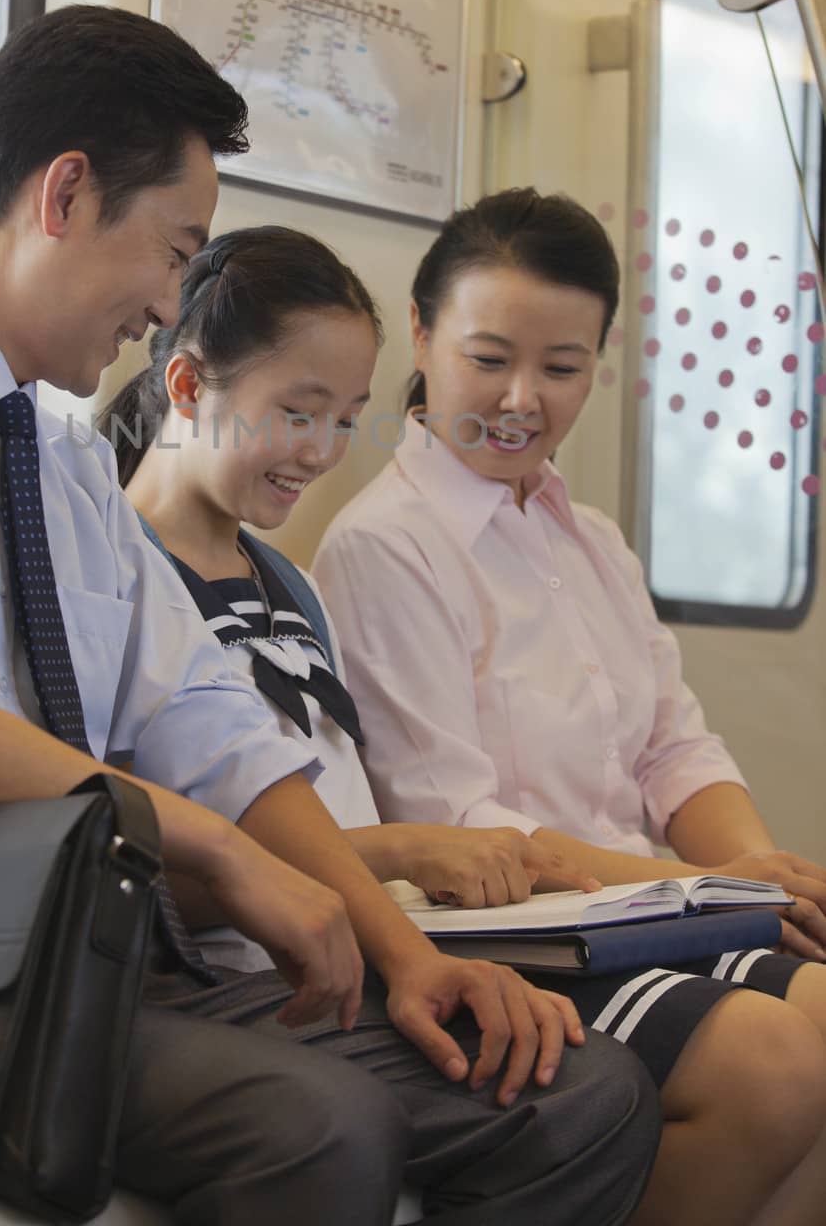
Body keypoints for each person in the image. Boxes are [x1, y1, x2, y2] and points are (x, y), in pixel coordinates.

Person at [0, 16, 658, 1226]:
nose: (171, 300)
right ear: (66, 194)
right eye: (174, 250)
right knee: (318, 1129)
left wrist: (406, 953)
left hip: (86, 964)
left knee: (574, 1093)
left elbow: (213, 724)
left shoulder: (68, 473)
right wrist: (219, 854)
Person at [105, 221, 822, 1226]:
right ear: (188, 390)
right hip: (312, 950)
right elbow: (227, 842)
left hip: (377, 933)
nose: (321, 451)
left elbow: (672, 742)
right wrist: (698, 886)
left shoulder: (290, 585)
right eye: (298, 411)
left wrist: (733, 875)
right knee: (663, 1079)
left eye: (343, 416)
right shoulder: (131, 572)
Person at [312, 187, 826, 1226]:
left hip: (645, 905)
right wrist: (712, 887)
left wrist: (759, 875)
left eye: (559, 368)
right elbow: (463, 827)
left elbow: (673, 749)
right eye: (488, 358)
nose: (519, 400)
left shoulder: (587, 536)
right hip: (514, 931)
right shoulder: (384, 545)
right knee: (772, 1067)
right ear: (419, 331)